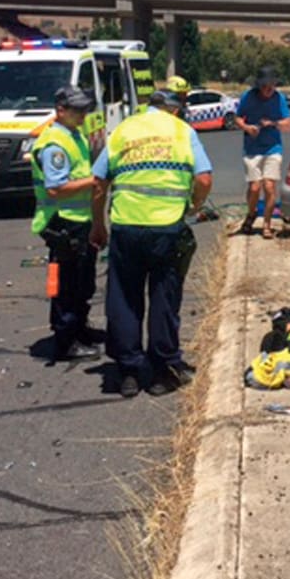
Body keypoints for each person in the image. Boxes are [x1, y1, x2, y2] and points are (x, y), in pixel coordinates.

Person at [89, 87, 213, 398]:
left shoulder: (124, 130)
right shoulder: (182, 131)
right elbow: (204, 180)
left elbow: (98, 182)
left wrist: (98, 225)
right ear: (173, 110)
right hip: (166, 228)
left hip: (127, 226)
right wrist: (193, 207)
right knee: (163, 297)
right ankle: (162, 371)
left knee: (125, 298)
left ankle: (129, 371)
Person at [31, 85, 103, 361]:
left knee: (83, 281)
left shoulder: (74, 134)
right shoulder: (55, 144)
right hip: (63, 222)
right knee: (67, 284)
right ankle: (65, 341)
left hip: (79, 220)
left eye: (86, 108)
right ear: (61, 110)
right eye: (78, 109)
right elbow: (55, 187)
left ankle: (80, 329)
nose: (84, 113)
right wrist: (95, 181)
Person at [235, 66, 290, 239]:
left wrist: (273, 124)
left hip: (273, 148)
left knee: (269, 186)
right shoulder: (248, 96)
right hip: (252, 148)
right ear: (259, 85)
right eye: (265, 86)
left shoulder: (279, 99)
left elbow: (288, 125)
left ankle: (266, 224)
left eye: (272, 85)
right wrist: (247, 127)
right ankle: (251, 213)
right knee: (254, 187)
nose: (269, 89)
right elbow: (237, 118)